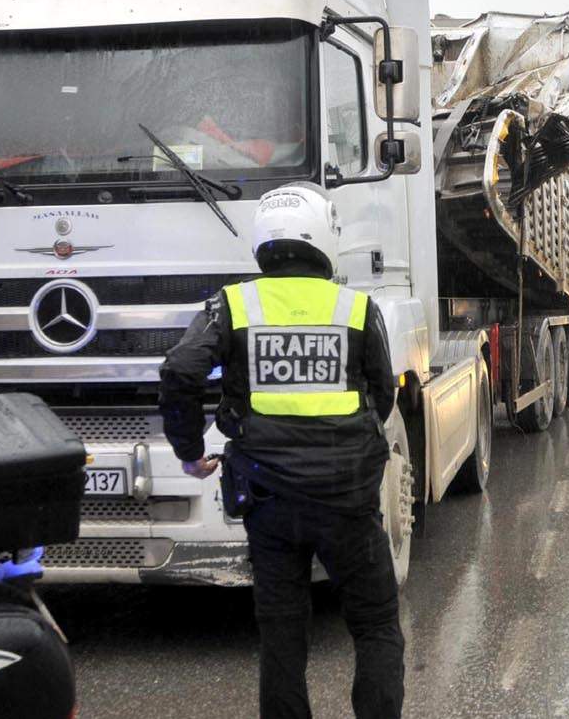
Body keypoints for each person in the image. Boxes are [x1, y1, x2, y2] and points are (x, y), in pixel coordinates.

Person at [158, 183, 403, 719]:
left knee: (283, 637)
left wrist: (189, 450)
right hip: (347, 503)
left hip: (268, 502)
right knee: (377, 626)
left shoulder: (233, 305)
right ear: (323, 239)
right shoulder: (357, 309)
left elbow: (180, 369)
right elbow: (382, 394)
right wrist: (353, 450)